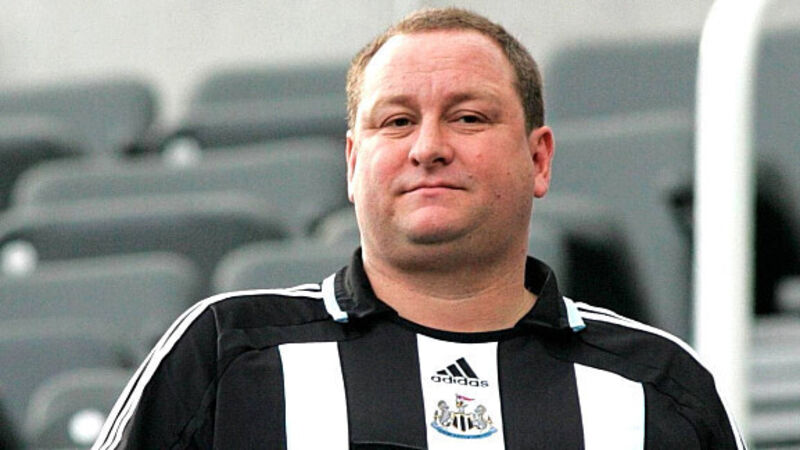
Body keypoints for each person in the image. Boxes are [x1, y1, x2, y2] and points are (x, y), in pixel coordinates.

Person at [93, 7, 745, 449]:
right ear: (353, 163)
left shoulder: (659, 386)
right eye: (397, 121)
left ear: (539, 159)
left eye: (468, 118)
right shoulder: (225, 356)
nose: (428, 148)